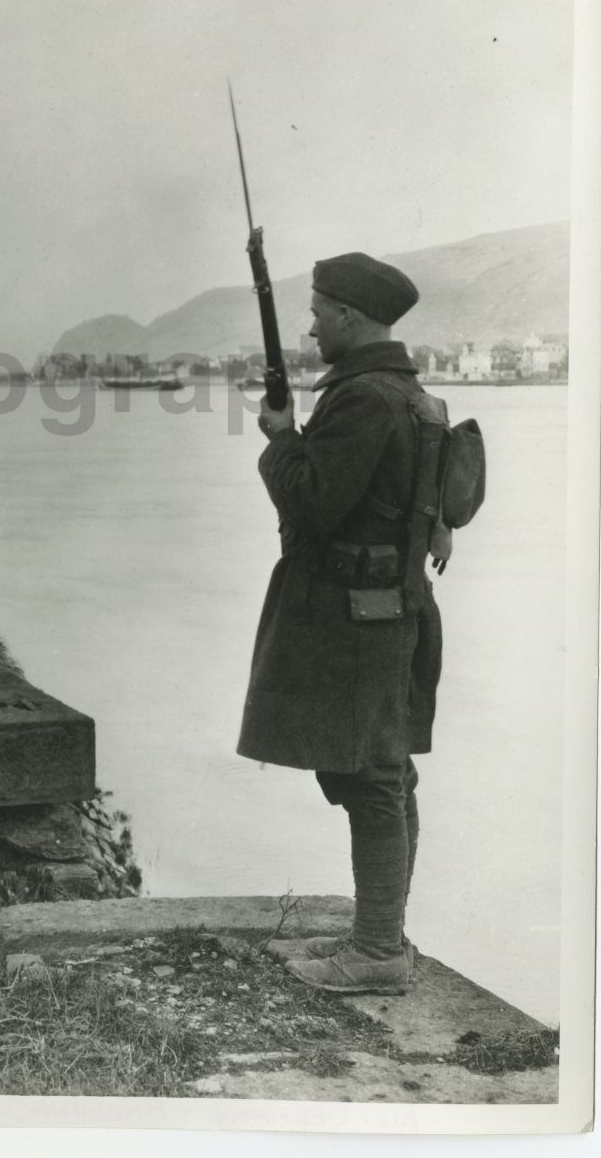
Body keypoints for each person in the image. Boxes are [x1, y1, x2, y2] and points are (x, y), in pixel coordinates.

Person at [239, 252, 441, 995]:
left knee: (371, 778)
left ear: (350, 317)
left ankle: (378, 953)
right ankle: (378, 934)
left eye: (320, 312)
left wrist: (281, 438)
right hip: (392, 609)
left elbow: (313, 504)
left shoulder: (362, 401)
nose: (312, 325)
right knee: (384, 773)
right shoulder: (409, 394)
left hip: (357, 620)